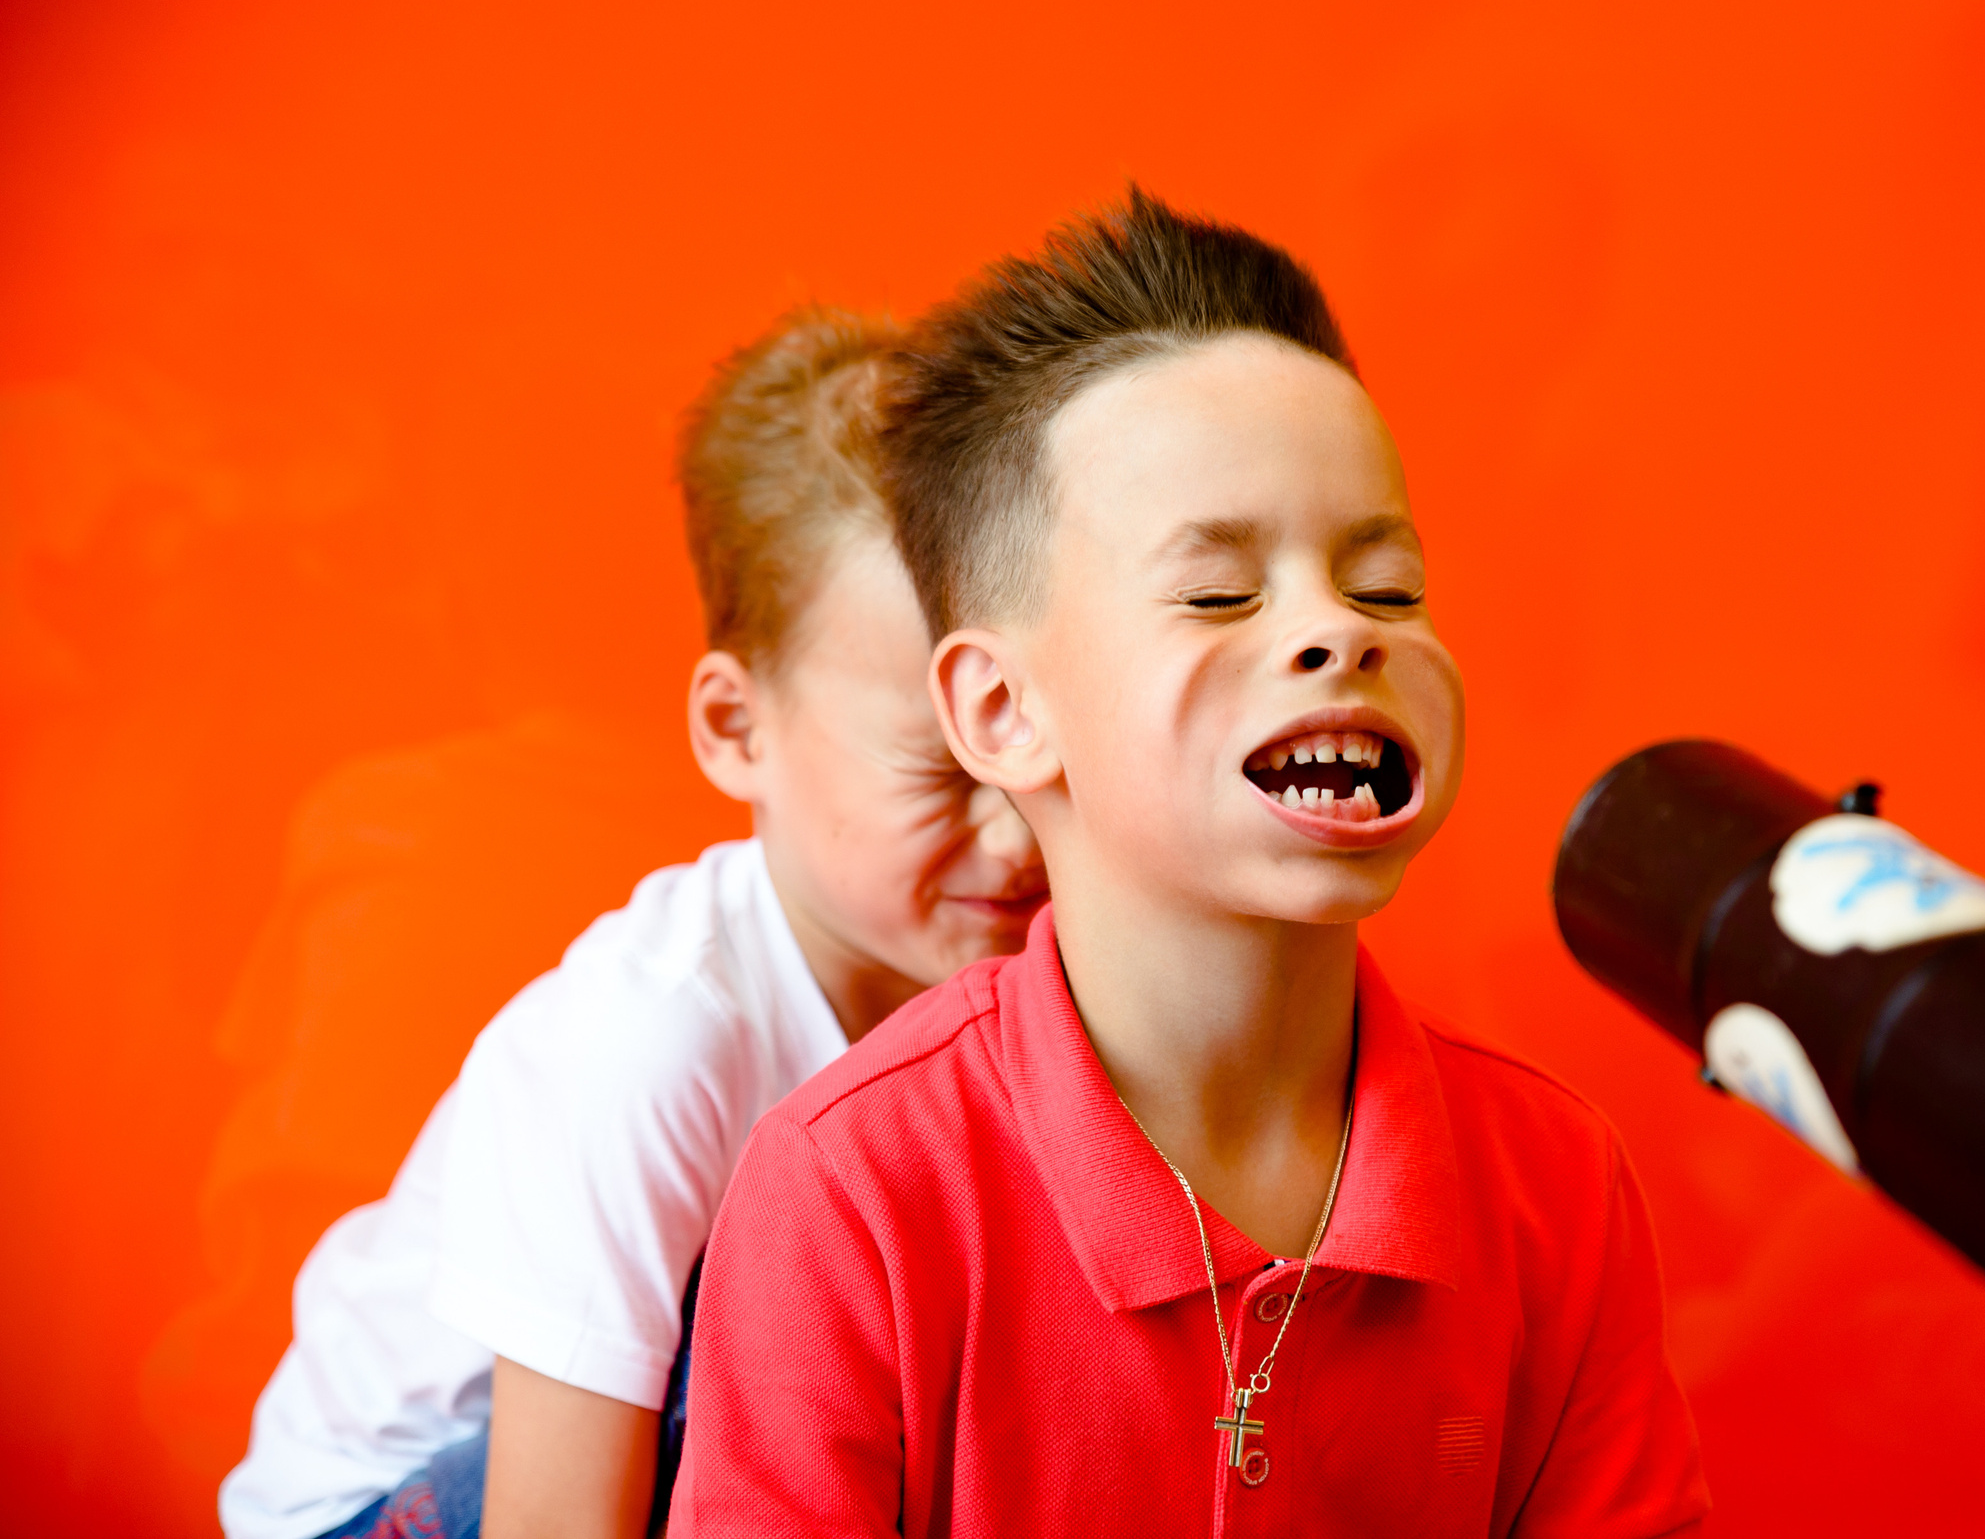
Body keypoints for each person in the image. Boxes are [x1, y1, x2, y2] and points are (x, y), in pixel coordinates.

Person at [671, 190, 1709, 1536]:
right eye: (1221, 592)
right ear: (1002, 710)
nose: (1339, 631)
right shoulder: (849, 1188)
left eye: (1385, 584)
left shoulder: (1555, 1180)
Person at [219, 309, 1049, 1539]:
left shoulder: (1022, 979)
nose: (1020, 833)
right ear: (736, 729)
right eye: (940, 770)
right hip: (390, 1506)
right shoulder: (645, 1045)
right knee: (775, 1331)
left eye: (1039, 745)